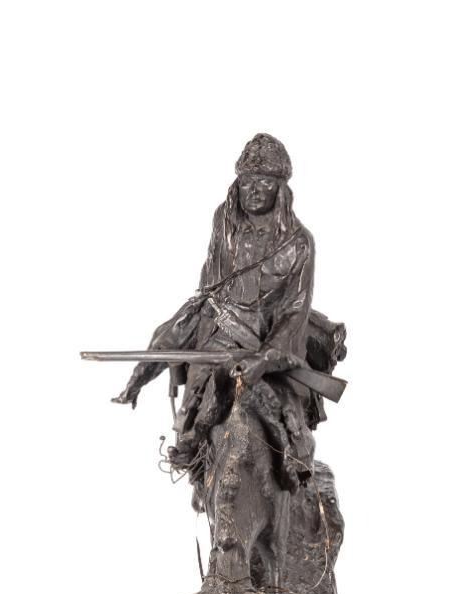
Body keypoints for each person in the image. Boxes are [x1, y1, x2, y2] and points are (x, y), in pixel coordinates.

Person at [113, 134, 341, 492]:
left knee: (283, 411)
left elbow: (295, 312)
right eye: (247, 181)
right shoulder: (223, 220)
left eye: (264, 182)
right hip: (217, 324)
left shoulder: (299, 242)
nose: (254, 190)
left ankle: (295, 460)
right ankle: (149, 402)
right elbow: (210, 277)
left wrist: (265, 359)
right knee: (168, 344)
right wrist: (201, 318)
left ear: (280, 189)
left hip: (266, 341)